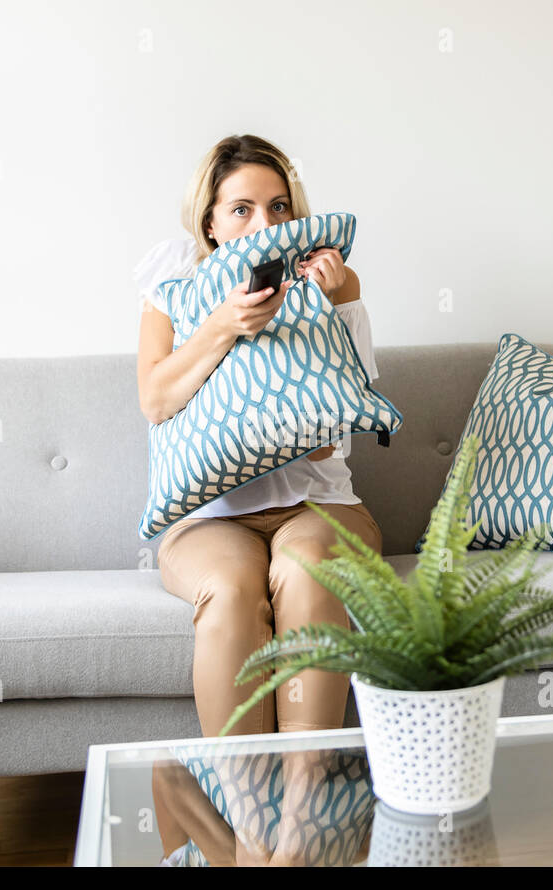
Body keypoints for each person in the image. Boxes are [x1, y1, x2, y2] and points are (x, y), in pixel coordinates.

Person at [135, 133, 385, 742]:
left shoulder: (334, 284)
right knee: (229, 588)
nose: (262, 223)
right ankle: (248, 817)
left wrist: (324, 314)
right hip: (209, 520)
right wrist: (223, 326)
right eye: (241, 209)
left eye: (278, 207)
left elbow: (330, 441)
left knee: (306, 569)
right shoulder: (174, 290)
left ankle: (302, 805)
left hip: (319, 507)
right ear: (212, 223)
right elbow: (156, 400)